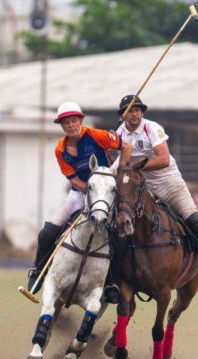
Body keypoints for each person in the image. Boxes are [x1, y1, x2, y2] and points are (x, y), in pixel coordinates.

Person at [113, 95, 198, 295]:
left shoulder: (152, 128)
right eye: (130, 110)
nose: (134, 114)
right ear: (123, 115)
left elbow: (163, 159)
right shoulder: (119, 134)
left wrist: (137, 166)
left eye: (137, 110)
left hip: (168, 182)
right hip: (142, 184)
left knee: (196, 222)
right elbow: (122, 165)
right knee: (119, 221)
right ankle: (114, 277)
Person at [27, 102, 132, 301]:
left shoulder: (97, 135)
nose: (71, 125)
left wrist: (118, 172)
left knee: (120, 235)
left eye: (74, 121)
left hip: (106, 193)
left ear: (80, 120)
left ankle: (112, 282)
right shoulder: (60, 150)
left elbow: (126, 146)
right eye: (66, 122)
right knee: (48, 231)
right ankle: (37, 272)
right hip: (79, 193)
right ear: (62, 125)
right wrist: (91, 191)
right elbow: (73, 179)